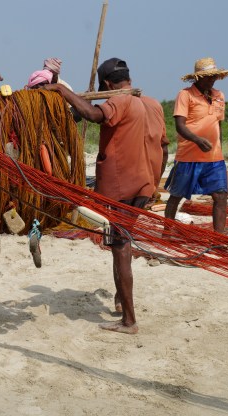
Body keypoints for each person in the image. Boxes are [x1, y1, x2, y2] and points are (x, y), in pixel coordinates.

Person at [42, 58, 164, 334]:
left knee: (120, 249)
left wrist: (63, 92)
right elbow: (164, 147)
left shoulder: (120, 101)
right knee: (122, 245)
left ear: (108, 84)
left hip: (121, 191)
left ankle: (129, 321)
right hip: (144, 185)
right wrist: (154, 183)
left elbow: (94, 115)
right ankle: (121, 301)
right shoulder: (152, 104)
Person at [164, 57, 228, 233]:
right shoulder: (185, 95)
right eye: (208, 77)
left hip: (214, 158)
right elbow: (180, 125)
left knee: (221, 196)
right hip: (188, 157)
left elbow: (218, 125)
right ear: (198, 78)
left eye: (214, 76)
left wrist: (219, 147)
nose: (212, 79)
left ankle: (219, 238)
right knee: (176, 196)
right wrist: (198, 140)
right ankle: (167, 233)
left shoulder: (219, 96)